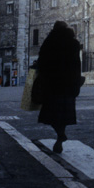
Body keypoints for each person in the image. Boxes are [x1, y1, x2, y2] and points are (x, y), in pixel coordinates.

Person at [36, 21, 82, 153]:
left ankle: (60, 134)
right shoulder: (73, 44)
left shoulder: (49, 42)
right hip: (68, 84)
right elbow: (76, 65)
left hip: (52, 84)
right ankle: (61, 135)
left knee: (51, 114)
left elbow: (42, 63)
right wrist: (77, 83)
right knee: (64, 114)